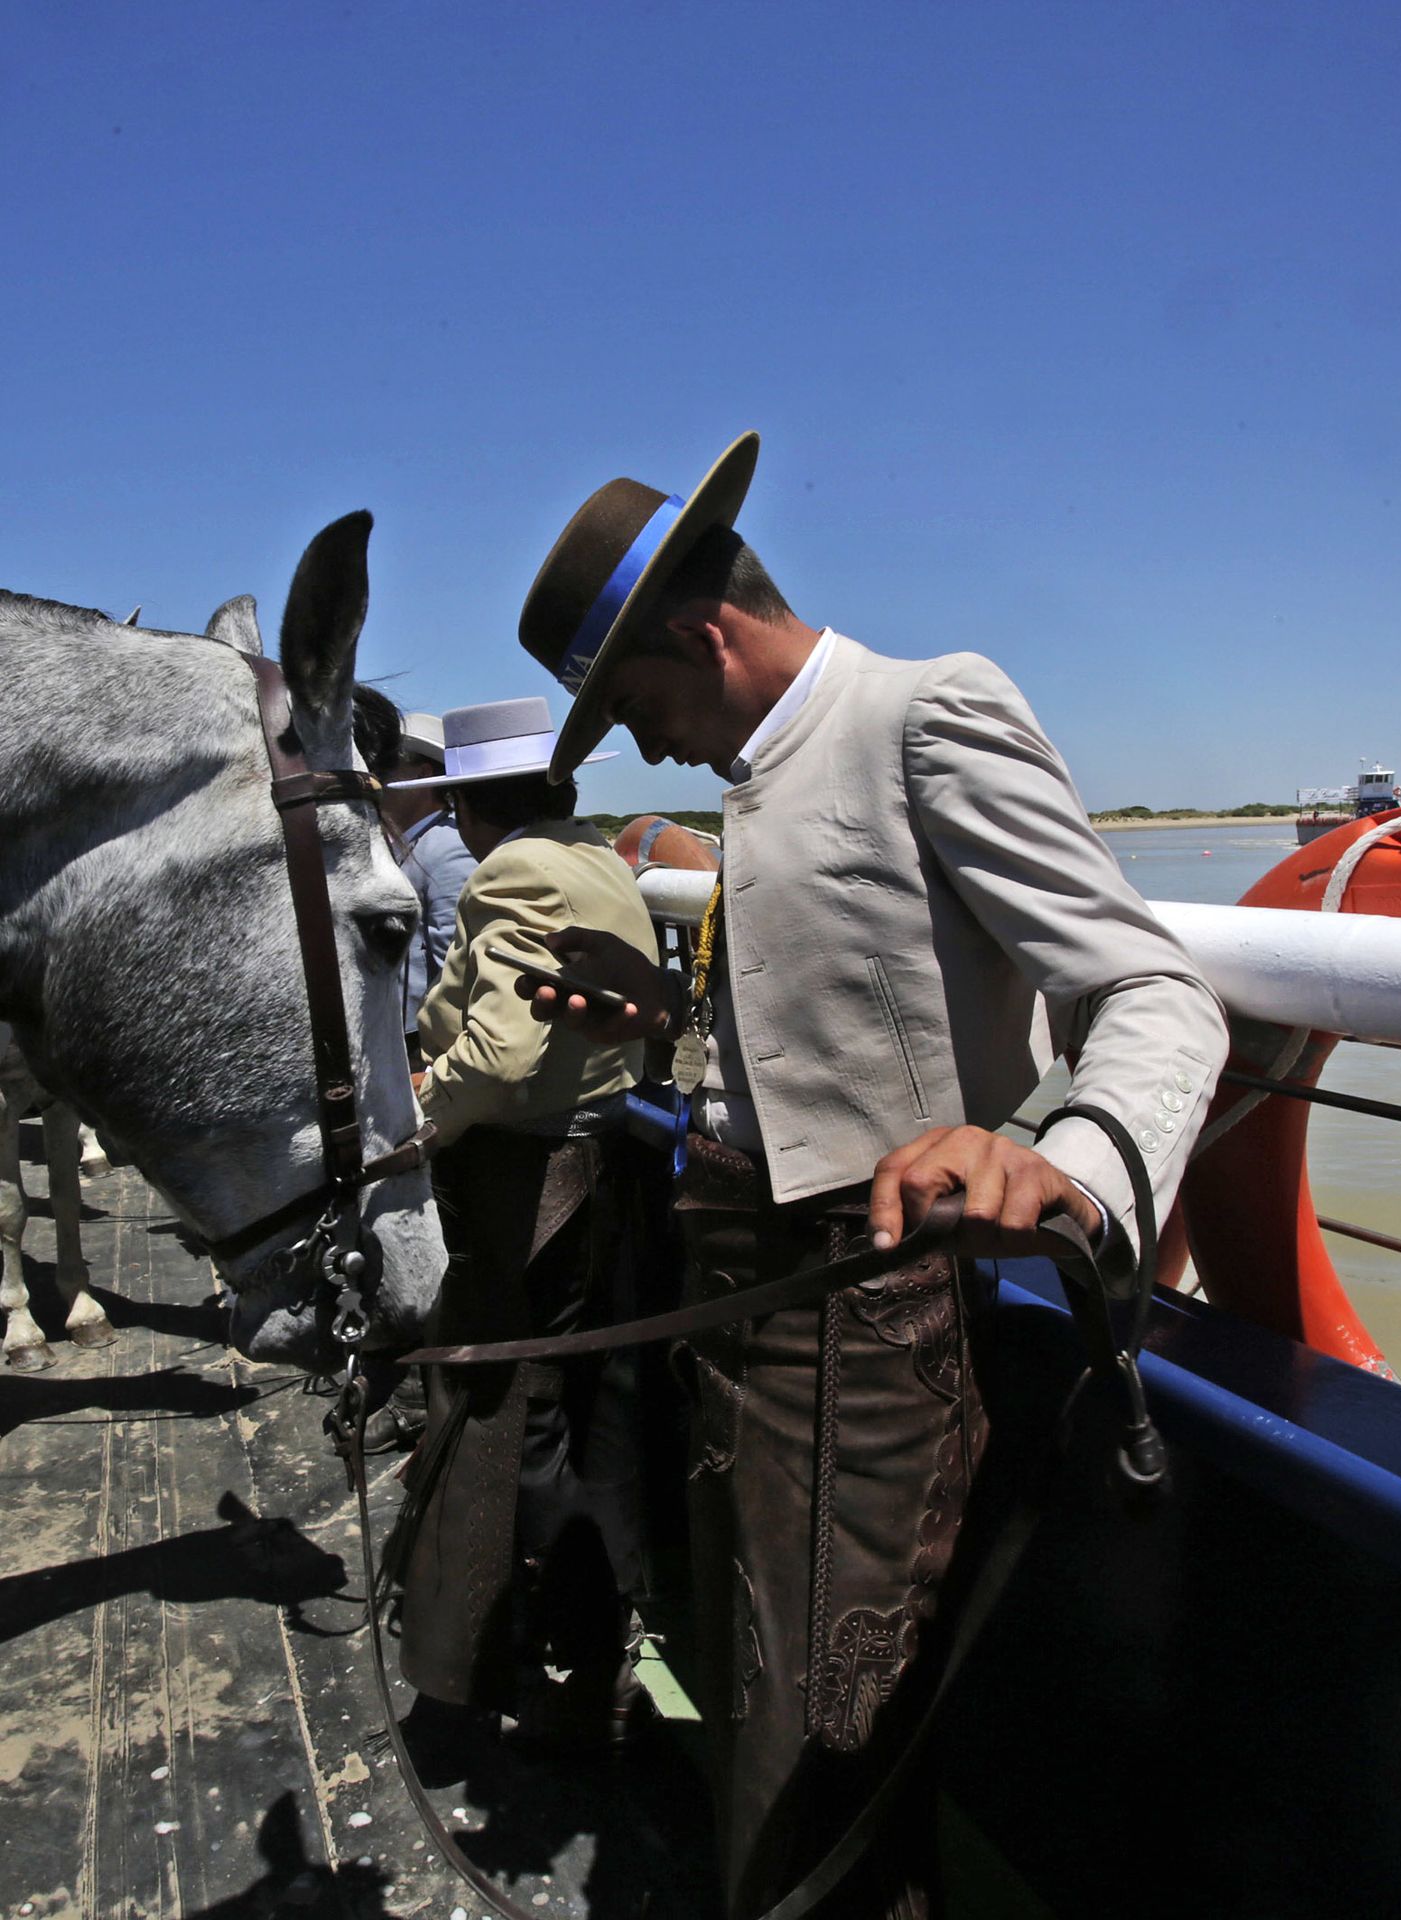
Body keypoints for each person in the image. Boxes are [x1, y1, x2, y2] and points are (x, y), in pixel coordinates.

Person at [513, 433, 1232, 1918]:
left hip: (871, 1330)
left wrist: (1066, 1159)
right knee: (755, 1698)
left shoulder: (924, 714)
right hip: (738, 1320)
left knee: (833, 1739)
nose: (641, 748)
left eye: (637, 703)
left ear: (703, 634)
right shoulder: (757, 780)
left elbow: (1159, 993)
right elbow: (835, 1011)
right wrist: (661, 1019)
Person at [388, 696, 663, 1763]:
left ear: (461, 804)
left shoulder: (507, 873)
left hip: (523, 1180)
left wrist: (417, 1115)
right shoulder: (597, 859)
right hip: (600, 1165)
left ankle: (540, 1653)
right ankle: (582, 1645)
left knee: (513, 1417)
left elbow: (498, 1058)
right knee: (576, 1411)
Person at [377, 711, 476, 1058]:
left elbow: (457, 966)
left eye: (386, 766)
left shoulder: (447, 849)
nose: (375, 778)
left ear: (422, 776)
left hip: (422, 1045)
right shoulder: (414, 843)